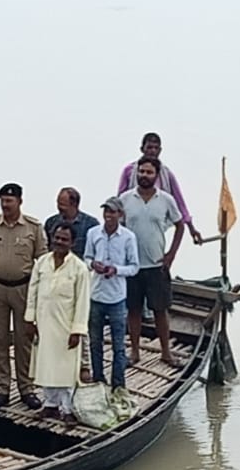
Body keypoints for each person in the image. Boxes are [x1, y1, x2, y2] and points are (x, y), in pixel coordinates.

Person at [0, 183, 46, 412]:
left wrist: (41, 294)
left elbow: (43, 262)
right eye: (2, 200)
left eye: (9, 201)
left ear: (20, 202)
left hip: (23, 288)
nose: (5, 205)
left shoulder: (33, 227)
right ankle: (1, 389)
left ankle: (27, 388)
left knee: (24, 340)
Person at [120, 156, 185, 366]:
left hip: (157, 265)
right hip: (132, 266)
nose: (144, 176)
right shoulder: (125, 199)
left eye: (149, 172)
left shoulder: (166, 200)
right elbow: (118, 227)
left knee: (160, 310)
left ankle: (166, 352)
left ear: (156, 176)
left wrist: (171, 255)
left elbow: (180, 225)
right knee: (134, 310)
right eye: (141, 171)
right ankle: (135, 352)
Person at [25, 223, 91, 421]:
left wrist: (77, 330)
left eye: (64, 239)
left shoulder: (79, 268)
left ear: (72, 242)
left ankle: (68, 409)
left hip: (66, 325)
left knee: (66, 370)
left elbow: (82, 301)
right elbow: (32, 292)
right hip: (44, 322)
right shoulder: (42, 263)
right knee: (46, 365)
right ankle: (50, 405)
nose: (59, 242)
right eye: (57, 238)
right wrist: (30, 319)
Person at [84, 197, 139, 390]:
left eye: (112, 212)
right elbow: (87, 258)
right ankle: (98, 379)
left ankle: (118, 384)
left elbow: (134, 267)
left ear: (120, 215)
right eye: (106, 211)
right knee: (95, 342)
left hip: (117, 297)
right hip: (96, 294)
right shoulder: (93, 233)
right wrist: (93, 265)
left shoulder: (128, 237)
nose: (108, 215)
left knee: (119, 344)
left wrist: (116, 270)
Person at [117, 132, 202, 243]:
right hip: (131, 224)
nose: (152, 151)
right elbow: (119, 201)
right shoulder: (130, 171)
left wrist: (191, 228)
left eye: (156, 148)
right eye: (149, 147)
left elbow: (179, 202)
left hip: (155, 226)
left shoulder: (166, 174)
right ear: (142, 149)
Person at [43, 188, 99, 259]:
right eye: (58, 203)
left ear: (74, 204)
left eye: (62, 204)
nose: (59, 207)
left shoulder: (91, 224)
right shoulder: (51, 222)